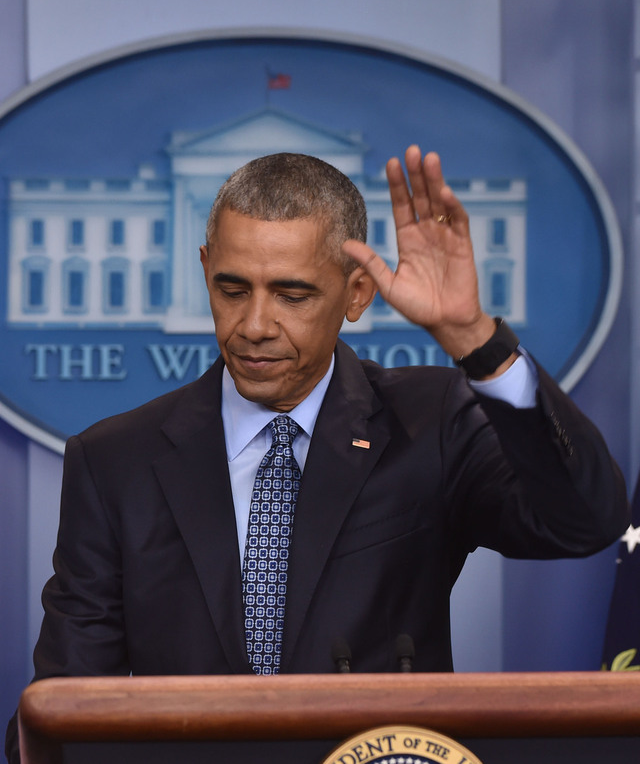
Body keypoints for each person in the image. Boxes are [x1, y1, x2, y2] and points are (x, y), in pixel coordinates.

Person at [5, 147, 628, 762]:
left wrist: (473, 338)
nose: (253, 324)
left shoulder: (430, 423)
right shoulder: (116, 461)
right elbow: (62, 709)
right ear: (204, 271)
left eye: (291, 295)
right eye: (231, 288)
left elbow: (583, 519)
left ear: (356, 294)